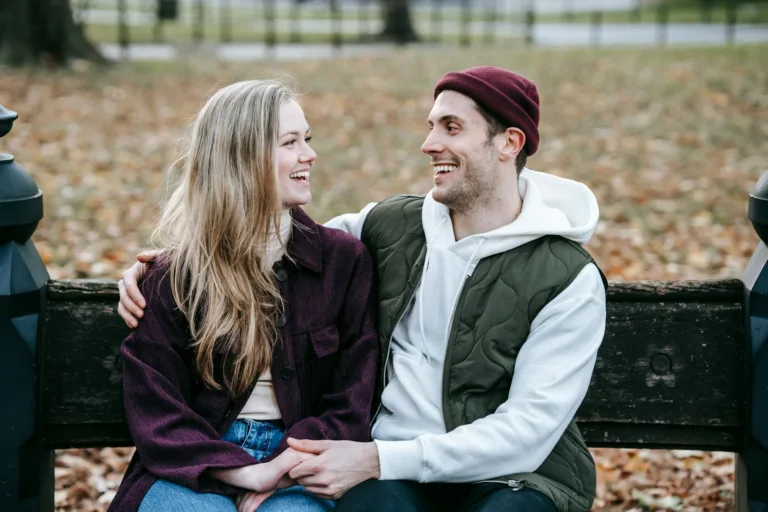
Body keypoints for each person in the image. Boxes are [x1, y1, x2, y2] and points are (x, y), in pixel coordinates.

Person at [118, 66, 607, 512]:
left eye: (451, 128)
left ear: (509, 143)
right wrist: (170, 263)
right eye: (430, 125)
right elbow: (274, 247)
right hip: (381, 473)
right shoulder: (392, 226)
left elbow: (527, 432)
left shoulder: (567, 277)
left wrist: (375, 459)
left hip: (512, 477)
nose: (429, 143)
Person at [108, 79, 379, 512]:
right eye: (290, 142)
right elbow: (156, 409)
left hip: (303, 463)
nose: (309, 154)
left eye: (306, 139)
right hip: (193, 465)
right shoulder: (173, 276)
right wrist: (244, 470)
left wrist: (284, 465)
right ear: (242, 158)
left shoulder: (344, 262)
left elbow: (354, 396)